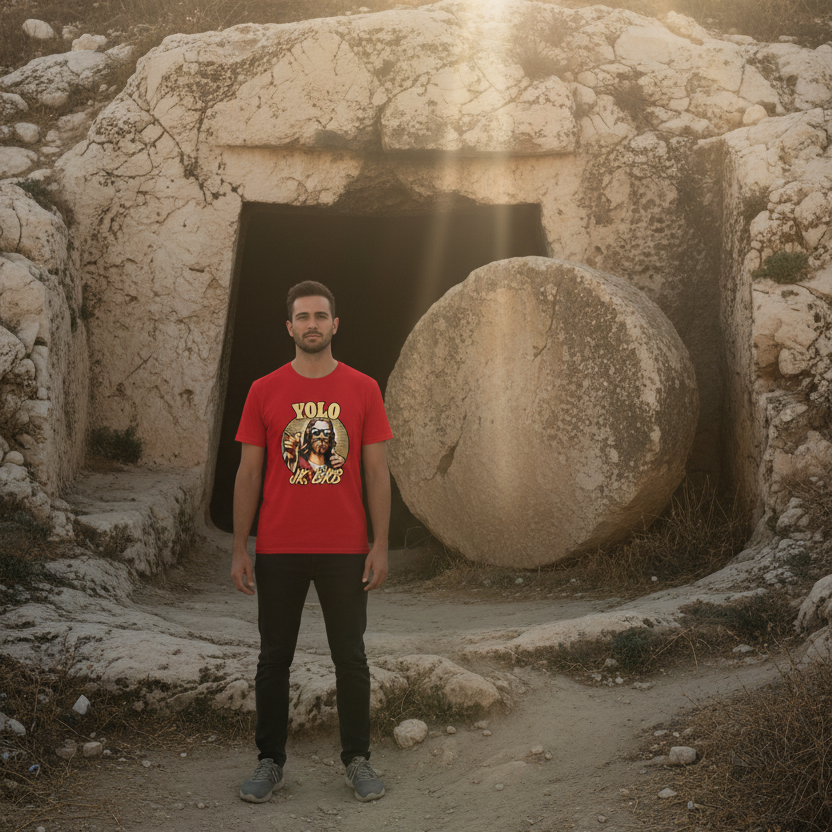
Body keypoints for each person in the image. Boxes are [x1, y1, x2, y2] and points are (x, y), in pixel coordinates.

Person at [230, 280, 392, 804]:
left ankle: (358, 760)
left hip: (346, 548)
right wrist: (239, 548)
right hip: (279, 548)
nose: (312, 324)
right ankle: (269, 762)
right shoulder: (263, 390)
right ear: (290, 327)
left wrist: (381, 543)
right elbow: (249, 475)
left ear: (335, 325)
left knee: (351, 657)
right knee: (274, 659)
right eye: (303, 317)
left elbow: (375, 472)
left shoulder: (364, 388)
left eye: (321, 316)